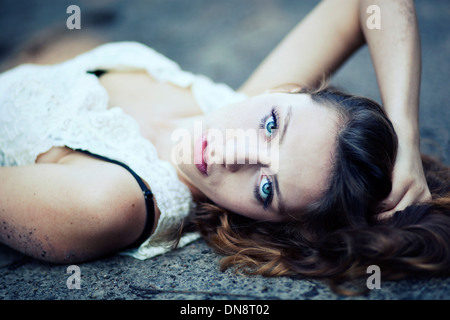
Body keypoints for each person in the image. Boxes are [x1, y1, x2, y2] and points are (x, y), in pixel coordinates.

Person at [0, 0, 448, 291]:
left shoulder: (110, 201)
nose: (234, 153)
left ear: (272, 224)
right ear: (292, 92)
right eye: (273, 124)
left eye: (266, 188)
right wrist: (402, 132)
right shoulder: (240, 102)